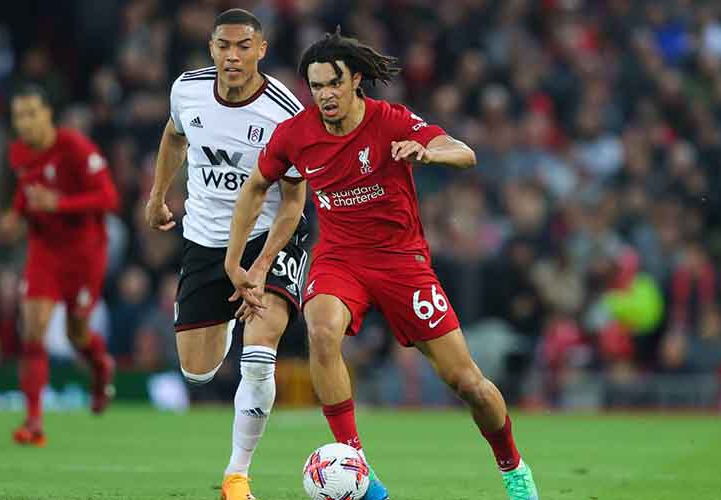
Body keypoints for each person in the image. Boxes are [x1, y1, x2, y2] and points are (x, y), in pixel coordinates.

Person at [225, 28, 540, 500]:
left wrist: (429, 151)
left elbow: (466, 153)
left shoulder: (390, 120)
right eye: (316, 87)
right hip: (339, 259)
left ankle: (514, 469)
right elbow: (256, 186)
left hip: (401, 263)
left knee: (467, 382)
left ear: (355, 81)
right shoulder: (296, 134)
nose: (325, 96)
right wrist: (240, 262)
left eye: (333, 84)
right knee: (323, 330)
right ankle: (360, 470)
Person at [144, 9, 307, 500]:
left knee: (258, 360)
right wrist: (157, 195)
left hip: (268, 239)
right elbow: (174, 136)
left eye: (242, 46)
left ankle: (237, 476)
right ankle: (228, 318)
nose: (231, 56)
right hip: (205, 240)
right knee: (197, 371)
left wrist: (256, 269)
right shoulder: (186, 90)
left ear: (261, 49)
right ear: (211, 48)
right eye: (222, 46)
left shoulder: (284, 113)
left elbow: (295, 201)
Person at [5, 84, 118, 446]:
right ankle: (34, 421)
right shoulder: (18, 153)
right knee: (33, 330)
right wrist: (15, 213)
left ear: (47, 115)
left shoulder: (74, 147)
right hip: (44, 250)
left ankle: (101, 369)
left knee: (76, 334)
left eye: (30, 114)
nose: (24, 123)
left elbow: (108, 197)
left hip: (84, 253)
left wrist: (61, 204)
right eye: (18, 116)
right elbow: (28, 193)